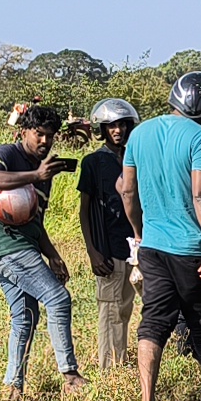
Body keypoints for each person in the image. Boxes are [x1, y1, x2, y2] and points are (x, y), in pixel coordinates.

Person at [120, 71, 201, 401]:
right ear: (198, 103)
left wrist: (140, 233)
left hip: (152, 248)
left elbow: (127, 191)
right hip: (192, 250)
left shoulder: (138, 133)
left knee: (153, 322)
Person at [0, 105, 86, 398]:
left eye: (50, 136)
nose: (45, 142)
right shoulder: (8, 154)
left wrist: (53, 254)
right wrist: (35, 175)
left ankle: (14, 386)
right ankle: (70, 375)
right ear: (24, 131)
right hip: (6, 245)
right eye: (39, 134)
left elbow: (36, 221)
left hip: (26, 245)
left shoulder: (43, 170)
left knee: (25, 316)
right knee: (58, 299)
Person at [79, 98, 140, 369]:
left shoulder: (135, 157)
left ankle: (125, 359)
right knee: (110, 310)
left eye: (122, 125)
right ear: (102, 129)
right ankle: (110, 368)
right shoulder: (92, 162)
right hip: (108, 247)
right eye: (112, 126)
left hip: (137, 246)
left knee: (130, 307)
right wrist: (93, 251)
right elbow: (85, 209)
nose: (118, 130)